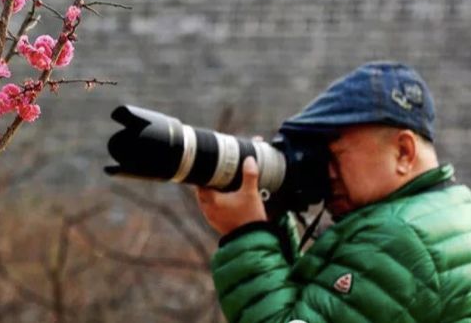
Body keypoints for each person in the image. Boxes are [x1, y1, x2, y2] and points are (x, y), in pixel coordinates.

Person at [195, 61, 471, 322]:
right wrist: (272, 220)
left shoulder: (396, 238)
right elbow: (317, 307)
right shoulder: (452, 208)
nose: (327, 173)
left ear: (403, 152)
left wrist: (246, 234)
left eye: (337, 156)